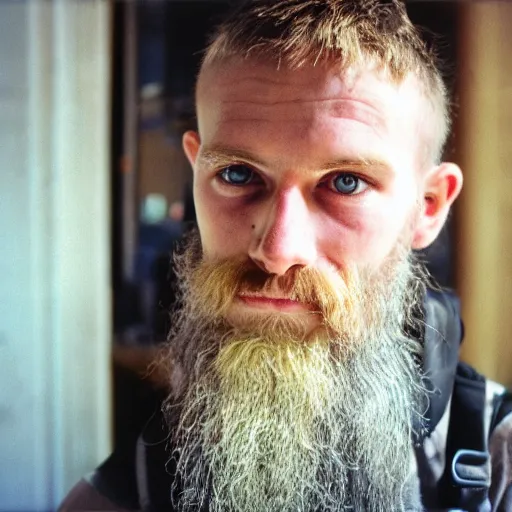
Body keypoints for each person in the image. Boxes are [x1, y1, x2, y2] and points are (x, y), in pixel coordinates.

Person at [60, 1, 512, 511]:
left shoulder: (499, 465)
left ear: (426, 208)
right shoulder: (115, 495)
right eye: (236, 174)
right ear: (195, 173)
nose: (277, 251)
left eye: (346, 182)